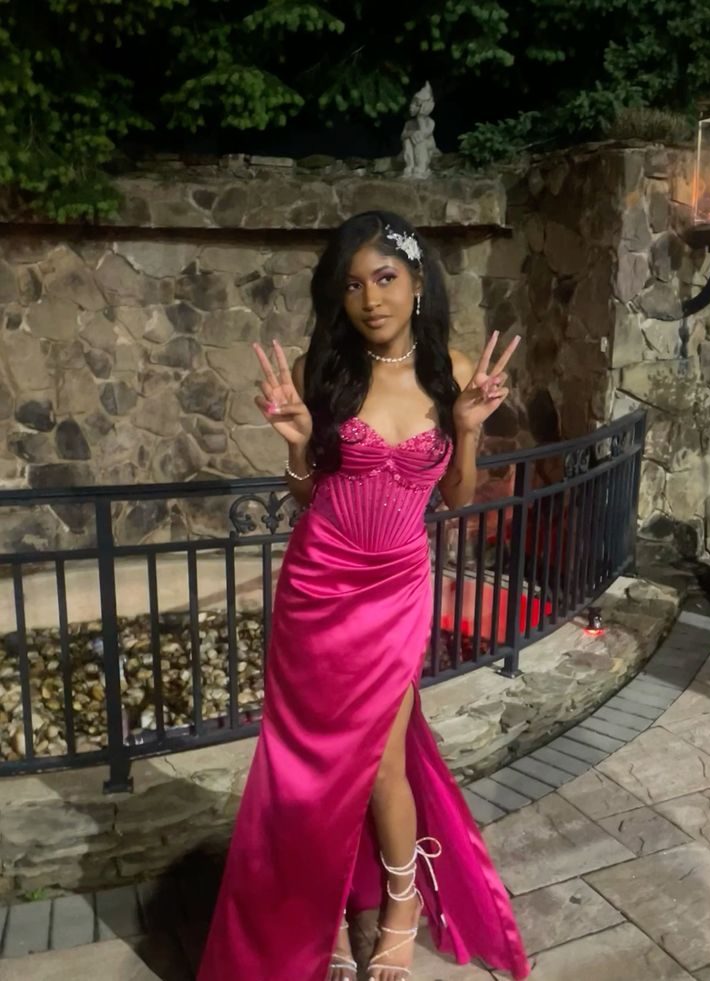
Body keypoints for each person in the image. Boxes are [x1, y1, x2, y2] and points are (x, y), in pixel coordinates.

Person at [197, 211, 530, 981]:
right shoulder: (325, 369)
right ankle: (319, 912)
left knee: (380, 764)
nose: (370, 299)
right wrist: (294, 445)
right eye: (353, 285)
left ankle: (401, 905)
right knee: (307, 766)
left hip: (397, 589)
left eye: (385, 278)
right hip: (318, 586)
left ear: (418, 284)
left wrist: (468, 429)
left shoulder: (451, 371)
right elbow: (307, 492)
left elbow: (457, 496)